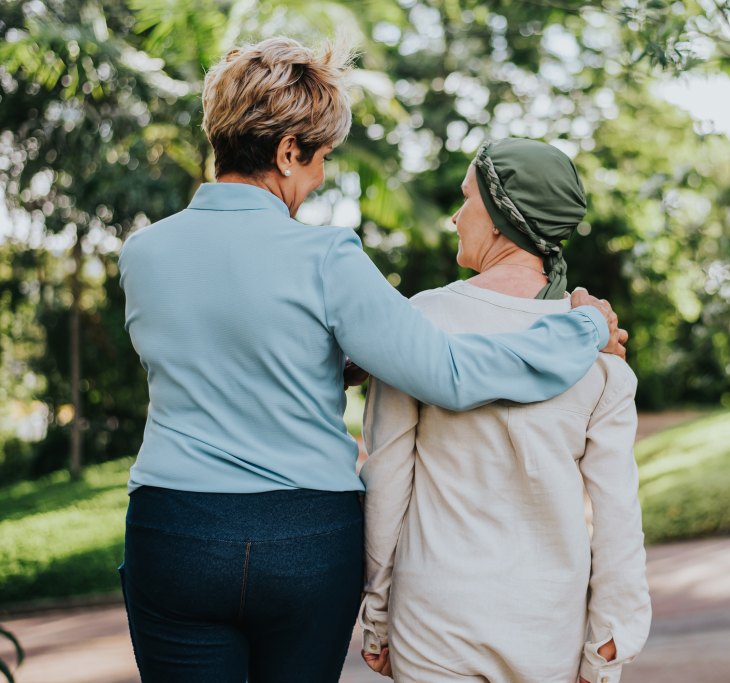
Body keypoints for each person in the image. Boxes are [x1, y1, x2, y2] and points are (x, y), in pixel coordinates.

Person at [116, 38, 626, 683]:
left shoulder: (144, 254)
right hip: (302, 541)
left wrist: (332, 364)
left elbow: (226, 353)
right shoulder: (326, 257)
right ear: (287, 151)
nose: (320, 177)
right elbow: (449, 372)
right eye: (321, 158)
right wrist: (583, 327)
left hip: (175, 531)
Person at [359, 138, 651, 683]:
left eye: (467, 199)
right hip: (548, 630)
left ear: (497, 216)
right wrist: (609, 642)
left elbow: (385, 483)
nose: (454, 216)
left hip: (434, 625)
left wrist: (376, 616)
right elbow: (617, 516)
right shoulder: (600, 354)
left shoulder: (419, 324)